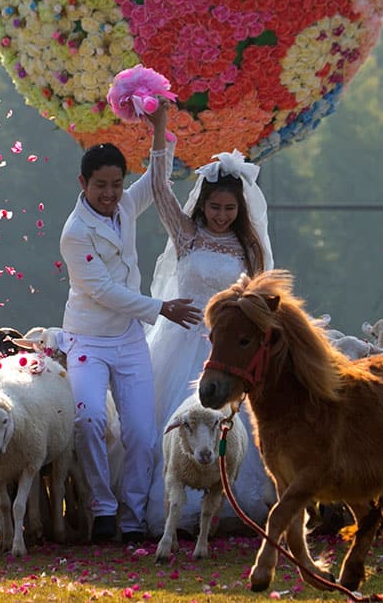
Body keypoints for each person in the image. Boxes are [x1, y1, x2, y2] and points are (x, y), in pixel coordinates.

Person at [59, 102, 202, 544]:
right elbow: (103, 291)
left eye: (117, 185)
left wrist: (159, 127)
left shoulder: (124, 207)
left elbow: (156, 180)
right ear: (83, 183)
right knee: (88, 420)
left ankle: (133, 515)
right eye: (100, 185)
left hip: (128, 340)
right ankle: (102, 507)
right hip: (87, 338)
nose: (110, 194)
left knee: (143, 431)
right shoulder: (75, 232)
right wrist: (161, 308)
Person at [144, 147, 275, 539]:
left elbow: (257, 300)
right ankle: (172, 509)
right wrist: (159, 133)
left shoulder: (249, 248)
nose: (221, 216)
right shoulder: (186, 234)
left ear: (241, 208)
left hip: (227, 349)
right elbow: (158, 188)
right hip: (179, 341)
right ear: (203, 203)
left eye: (229, 209)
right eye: (215, 207)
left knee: (233, 426)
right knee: (172, 425)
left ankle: (233, 505)